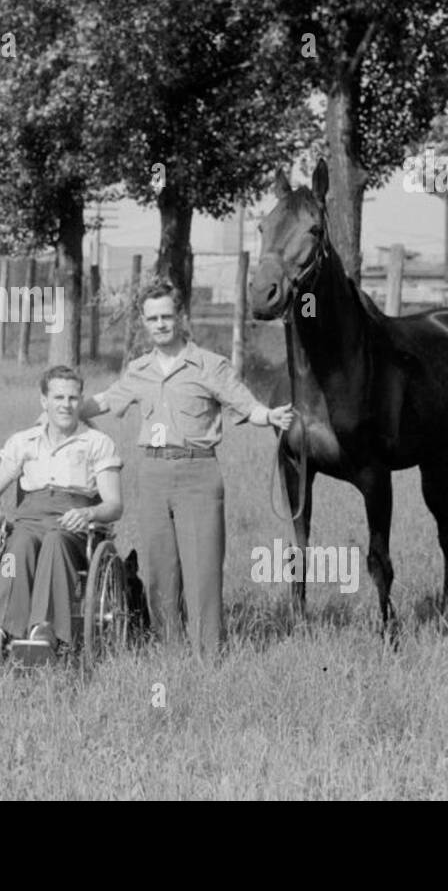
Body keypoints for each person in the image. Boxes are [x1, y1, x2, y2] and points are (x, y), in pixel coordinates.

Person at [78, 278, 293, 659]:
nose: (160, 324)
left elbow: (246, 405)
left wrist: (270, 415)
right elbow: (108, 399)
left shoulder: (210, 365)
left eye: (166, 316)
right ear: (143, 323)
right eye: (152, 318)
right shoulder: (139, 369)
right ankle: (169, 650)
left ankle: (208, 655)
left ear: (181, 317)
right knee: (161, 568)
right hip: (153, 474)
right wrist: (66, 410)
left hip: (198, 474)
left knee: (202, 568)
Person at [0, 365, 122, 667]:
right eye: (58, 397)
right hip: (30, 519)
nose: (66, 405)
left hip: (73, 523)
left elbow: (114, 505)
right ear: (43, 401)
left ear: (81, 400)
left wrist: (89, 512)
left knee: (54, 541)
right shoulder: (25, 442)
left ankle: (42, 630)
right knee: (17, 545)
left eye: (73, 398)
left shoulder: (97, 443)